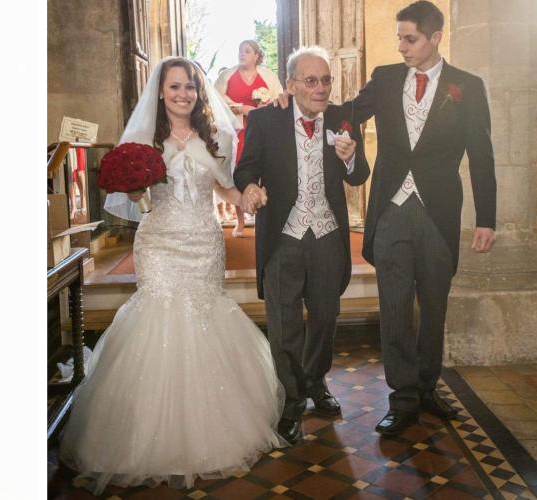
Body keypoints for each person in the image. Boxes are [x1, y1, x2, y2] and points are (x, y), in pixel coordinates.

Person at [59, 57, 285, 495]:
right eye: (175, 87)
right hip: (159, 242)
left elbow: (225, 188)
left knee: (202, 316)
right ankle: (148, 439)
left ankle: (209, 431)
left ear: (200, 93)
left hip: (203, 240)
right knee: (158, 317)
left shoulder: (215, 136)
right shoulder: (143, 139)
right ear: (160, 92)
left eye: (191, 87)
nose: (183, 94)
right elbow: (130, 195)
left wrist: (249, 197)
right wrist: (137, 191)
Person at [344, 1, 497, 436]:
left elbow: (481, 156)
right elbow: (348, 114)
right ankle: (403, 398)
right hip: (391, 209)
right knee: (394, 308)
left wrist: (486, 218)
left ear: (435, 38)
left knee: (434, 306)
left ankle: (428, 388)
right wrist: (296, 101)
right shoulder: (386, 78)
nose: (402, 46)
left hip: (439, 212)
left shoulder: (467, 86)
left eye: (410, 38)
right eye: (399, 38)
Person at [233, 46, 370, 444]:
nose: (321, 88)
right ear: (290, 85)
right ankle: (292, 398)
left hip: (328, 236)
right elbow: (245, 168)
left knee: (326, 317)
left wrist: (350, 159)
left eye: (326, 79)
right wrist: (251, 186)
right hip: (283, 236)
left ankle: (315, 381)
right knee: (284, 323)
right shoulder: (265, 119)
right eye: (311, 81)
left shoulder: (344, 118)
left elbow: (359, 176)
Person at [215, 40, 283, 237]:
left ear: (256, 56)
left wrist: (265, 109)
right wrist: (241, 108)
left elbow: (280, 99)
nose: (242, 54)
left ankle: (265, 216)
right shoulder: (226, 76)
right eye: (239, 50)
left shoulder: (268, 76)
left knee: (265, 171)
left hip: (262, 133)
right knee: (239, 171)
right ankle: (241, 220)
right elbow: (216, 102)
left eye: (247, 51)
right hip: (237, 132)